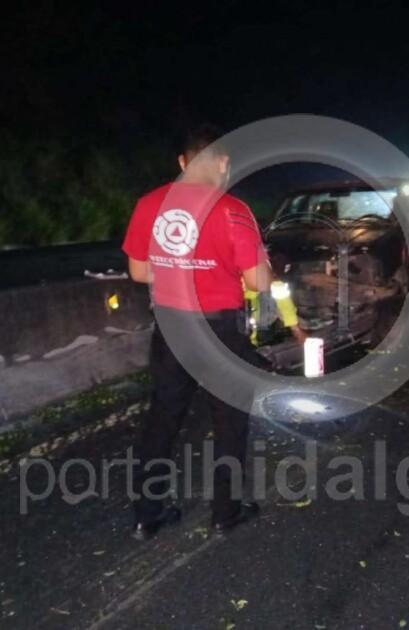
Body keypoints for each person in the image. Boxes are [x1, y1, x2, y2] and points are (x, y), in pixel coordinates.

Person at [122, 124, 272, 540]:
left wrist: (179, 269)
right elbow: (257, 281)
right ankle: (225, 513)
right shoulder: (233, 210)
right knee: (229, 422)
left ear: (182, 162)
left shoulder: (149, 204)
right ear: (223, 162)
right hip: (219, 330)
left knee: (162, 419)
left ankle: (146, 516)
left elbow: (139, 271)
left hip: (171, 328)